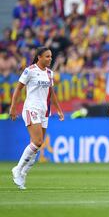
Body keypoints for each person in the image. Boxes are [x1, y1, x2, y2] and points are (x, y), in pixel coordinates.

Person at [9, 46, 64, 190]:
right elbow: (18, 89)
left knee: (37, 146)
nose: (50, 59)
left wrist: (58, 109)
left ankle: (23, 173)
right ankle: (18, 169)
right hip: (31, 108)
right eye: (47, 56)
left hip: (45, 111)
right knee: (38, 141)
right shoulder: (30, 71)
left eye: (51, 56)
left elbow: (51, 93)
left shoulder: (50, 73)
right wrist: (13, 107)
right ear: (39, 57)